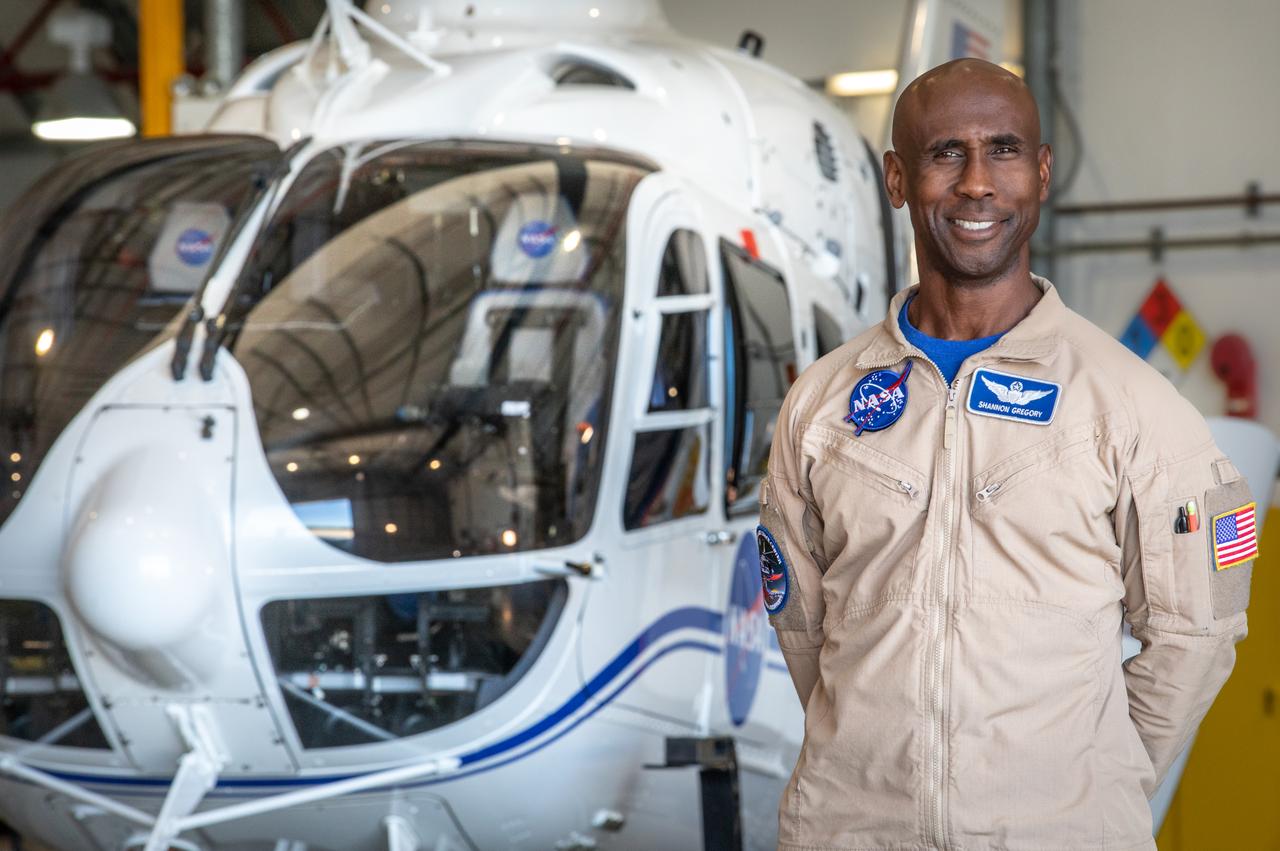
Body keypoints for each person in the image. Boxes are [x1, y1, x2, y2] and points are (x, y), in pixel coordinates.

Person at [759, 58, 1254, 850]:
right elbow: (803, 626)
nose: (977, 182)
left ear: (1043, 172)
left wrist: (1091, 782)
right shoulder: (821, 405)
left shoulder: (1133, 405)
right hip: (852, 831)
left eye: (1004, 150)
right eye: (945, 152)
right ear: (897, 179)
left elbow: (1197, 633)